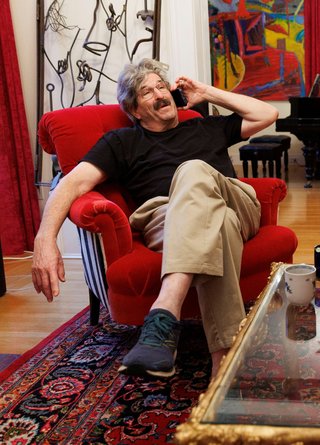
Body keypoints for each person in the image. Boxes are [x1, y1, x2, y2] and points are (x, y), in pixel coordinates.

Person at [31, 58, 279, 378]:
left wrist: (205, 92)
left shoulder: (203, 125)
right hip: (166, 220)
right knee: (220, 226)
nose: (159, 94)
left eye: (162, 87)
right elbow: (72, 184)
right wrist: (44, 238)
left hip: (235, 201)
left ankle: (164, 312)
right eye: (147, 92)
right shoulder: (121, 143)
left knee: (192, 171)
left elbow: (268, 114)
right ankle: (224, 361)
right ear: (134, 110)